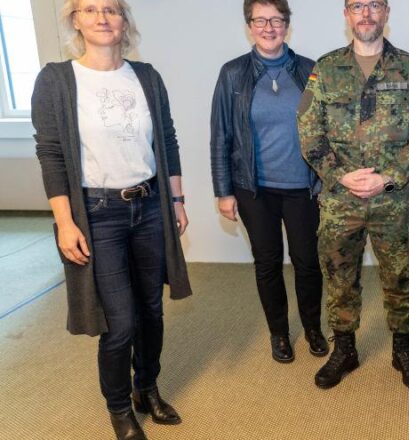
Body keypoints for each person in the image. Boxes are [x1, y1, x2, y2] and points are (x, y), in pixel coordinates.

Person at [32, 1, 192, 439]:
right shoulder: (57, 80)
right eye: (89, 9)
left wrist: (176, 199)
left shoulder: (147, 77)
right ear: (75, 21)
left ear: (124, 21)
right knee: (119, 322)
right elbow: (51, 155)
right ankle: (120, 408)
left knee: (152, 311)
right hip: (98, 214)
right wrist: (65, 222)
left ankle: (148, 388)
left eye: (111, 8)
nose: (101, 17)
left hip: (149, 207)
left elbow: (168, 140)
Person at [297, 0, 409, 391]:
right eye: (358, 5)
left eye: (374, 5)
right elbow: (309, 134)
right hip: (341, 200)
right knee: (338, 276)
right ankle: (345, 348)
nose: (366, 13)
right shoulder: (325, 68)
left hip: (393, 199)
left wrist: (388, 177)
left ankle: (403, 347)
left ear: (386, 13)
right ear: (346, 14)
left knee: (402, 275)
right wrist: (342, 176)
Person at [210, 0, 328, 364]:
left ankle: (311, 327)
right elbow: (221, 136)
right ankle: (279, 333)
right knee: (267, 262)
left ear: (287, 25)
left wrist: (326, 182)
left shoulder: (310, 70)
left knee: (307, 262)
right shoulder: (233, 74)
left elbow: (326, 130)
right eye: (260, 20)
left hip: (302, 188)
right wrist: (223, 191)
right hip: (253, 189)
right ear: (249, 26)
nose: (269, 27)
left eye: (277, 20)